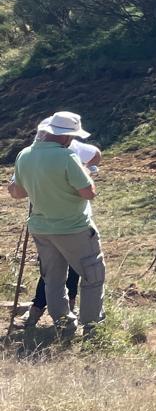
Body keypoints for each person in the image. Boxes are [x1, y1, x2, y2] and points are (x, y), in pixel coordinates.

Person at [7, 112, 108, 341]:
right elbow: (88, 192)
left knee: (53, 279)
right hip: (74, 228)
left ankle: (64, 325)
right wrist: (86, 171)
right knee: (93, 275)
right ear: (66, 137)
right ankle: (93, 329)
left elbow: (19, 193)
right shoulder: (66, 157)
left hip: (42, 228)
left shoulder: (24, 155)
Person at [20, 136, 100, 329]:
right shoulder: (58, 154)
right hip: (71, 224)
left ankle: (58, 317)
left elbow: (95, 155)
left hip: (45, 224)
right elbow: (89, 192)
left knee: (54, 273)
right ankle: (84, 323)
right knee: (84, 271)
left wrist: (85, 171)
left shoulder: (30, 154)